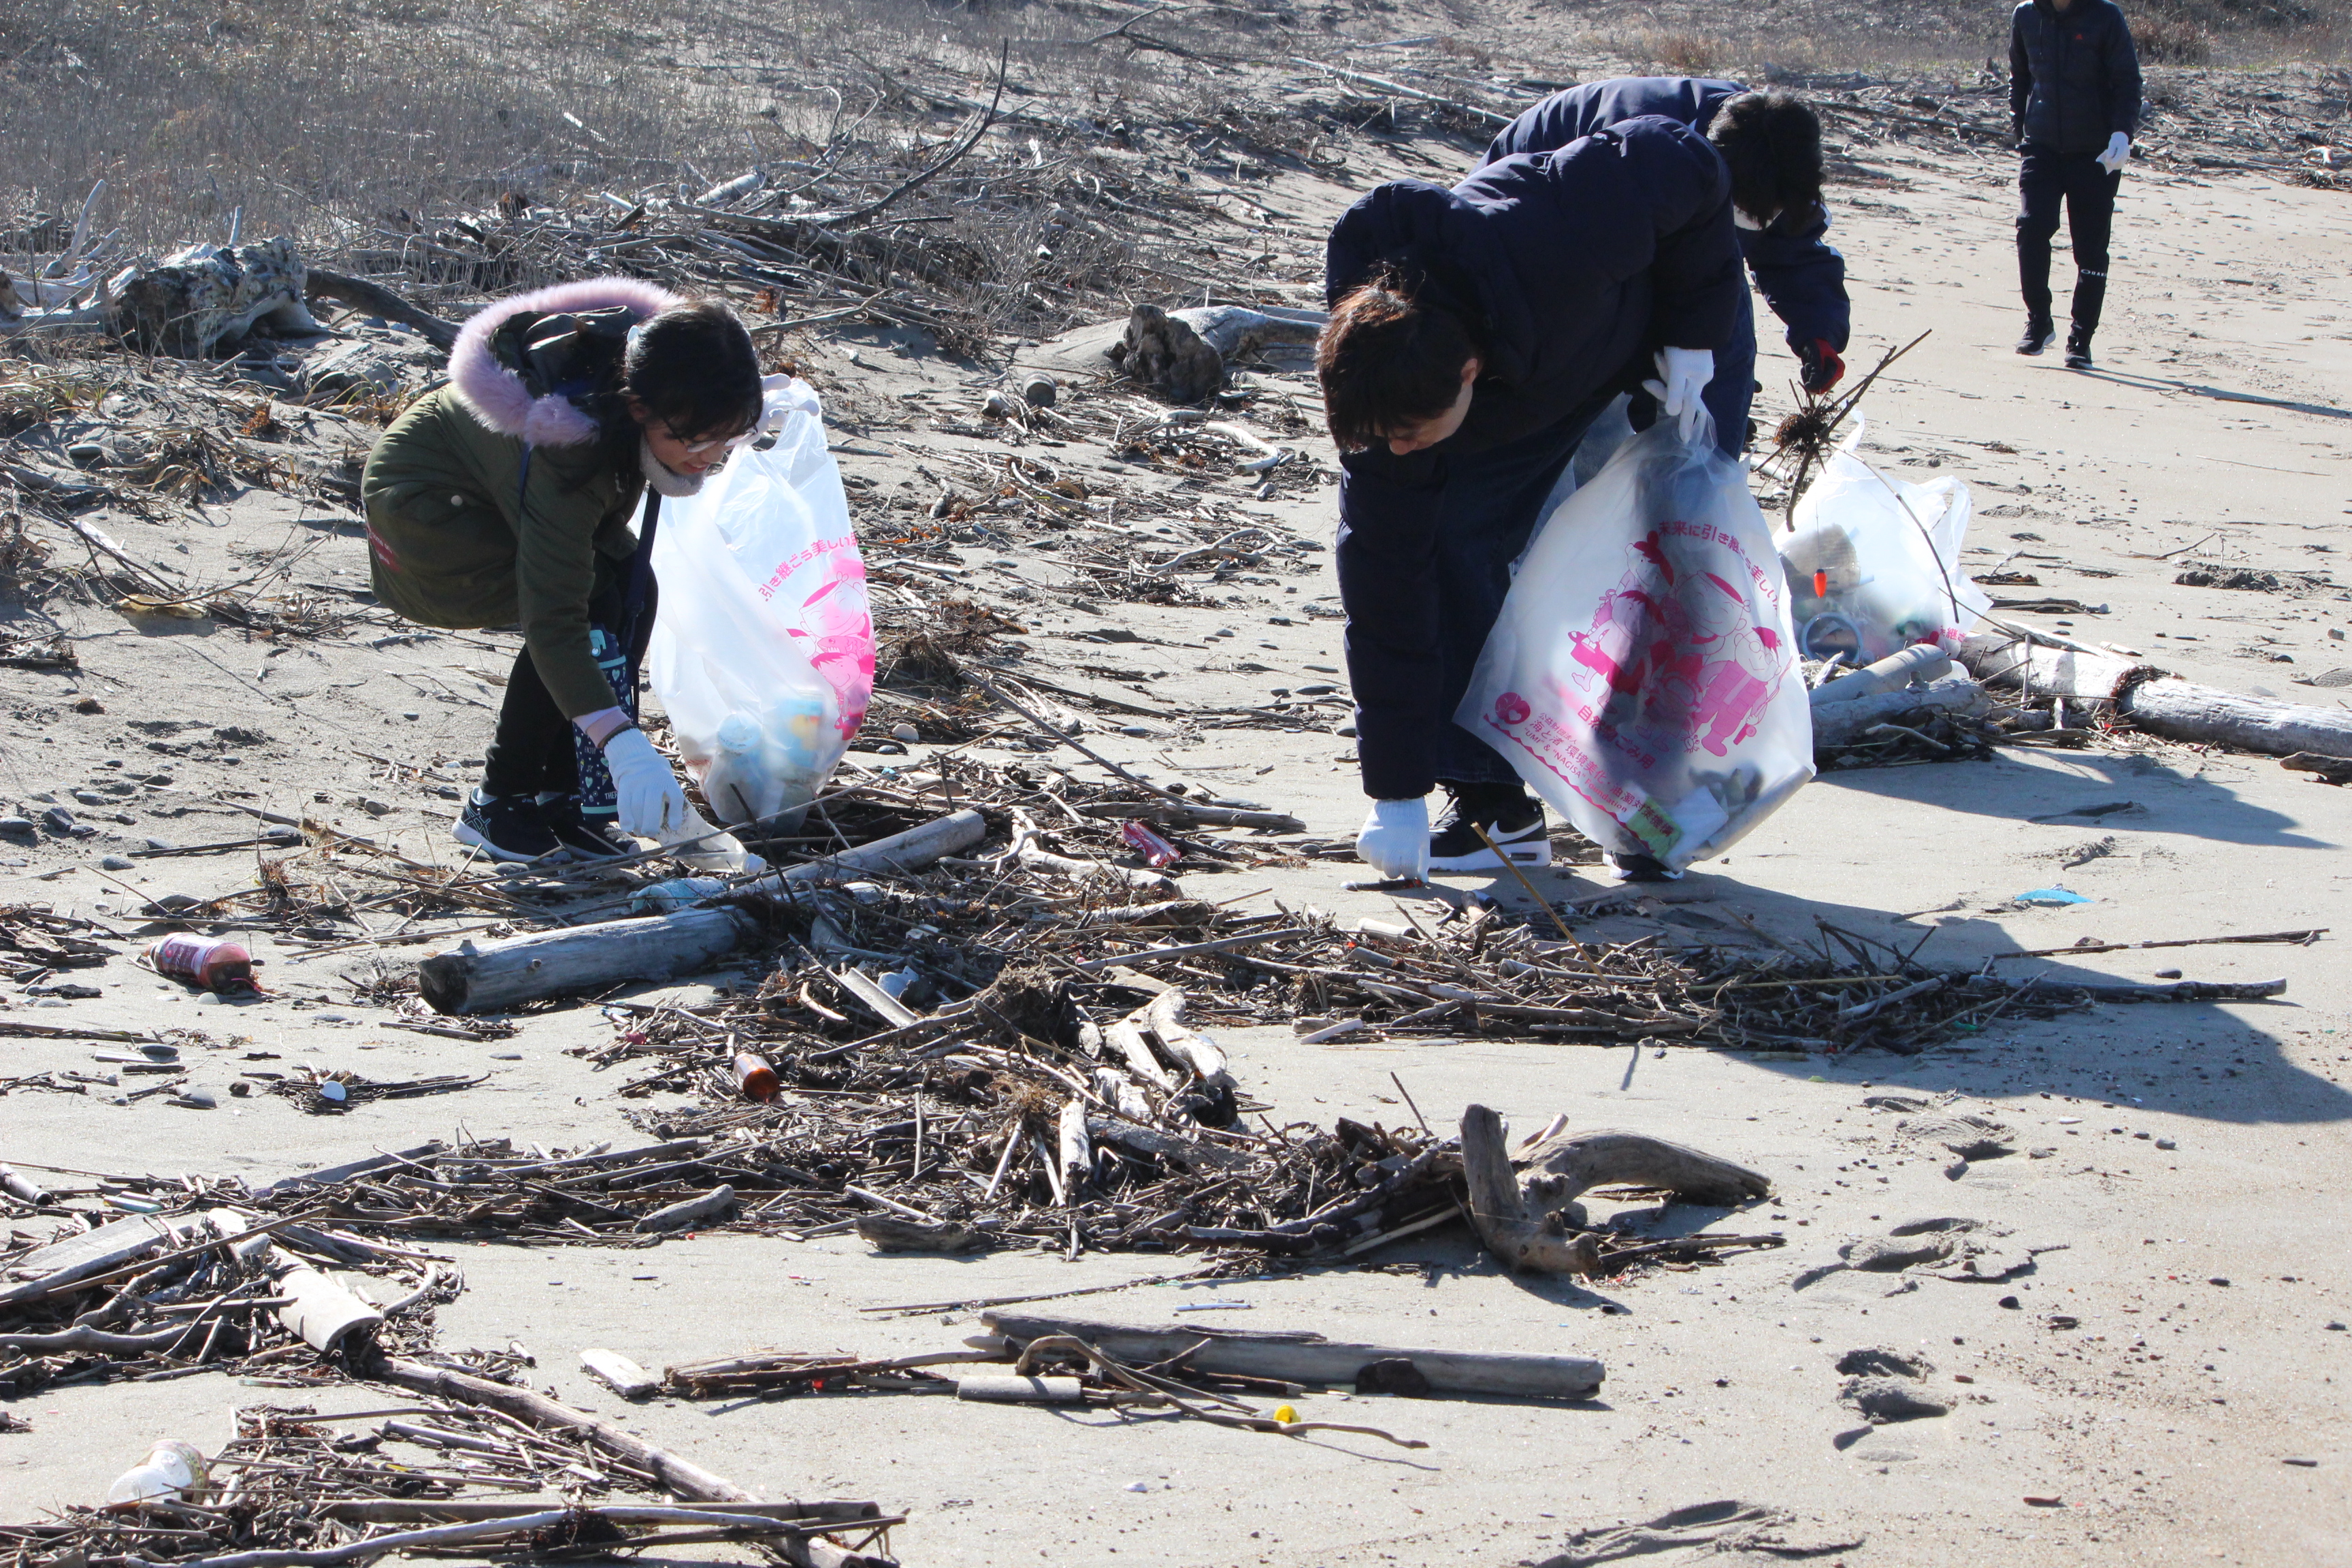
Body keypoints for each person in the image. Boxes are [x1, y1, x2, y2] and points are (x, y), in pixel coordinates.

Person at [1319, 117, 1744, 880]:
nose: (1397, 450)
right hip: (1533, 385)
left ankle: (1650, 811)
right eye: (1383, 440)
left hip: (1671, 344)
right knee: (1447, 540)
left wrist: (1693, 333)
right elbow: (1386, 600)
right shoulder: (1386, 405)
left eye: (1410, 436)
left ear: (1467, 373)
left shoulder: (1556, 235)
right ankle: (1494, 806)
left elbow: (1685, 163)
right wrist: (1397, 792)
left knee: (1664, 559)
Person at [362, 280, 765, 862]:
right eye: (696, 441)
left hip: (494, 495)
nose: (710, 459)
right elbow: (553, 618)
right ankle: (497, 802)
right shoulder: (571, 445)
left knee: (631, 587)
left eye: (726, 440)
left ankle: (561, 797)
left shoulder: (648, 380)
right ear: (639, 408)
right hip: (424, 521)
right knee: (587, 601)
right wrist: (622, 745)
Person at [1484, 76, 1852, 440]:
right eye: (1738, 215)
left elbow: (1792, 249)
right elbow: (1603, 291)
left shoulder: (1775, 154)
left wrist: (1818, 331)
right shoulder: (1645, 149)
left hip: (1646, 218)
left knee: (1720, 311)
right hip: (1526, 215)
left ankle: (1708, 453)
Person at [2009, 0, 2142, 369]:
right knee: (2031, 228)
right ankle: (2039, 321)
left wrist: (2122, 133)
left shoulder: (2105, 16)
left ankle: (2081, 339)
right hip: (2041, 147)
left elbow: (2128, 81)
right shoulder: (2026, 15)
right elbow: (2019, 77)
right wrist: (2020, 129)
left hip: (2096, 152)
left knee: (2090, 247)